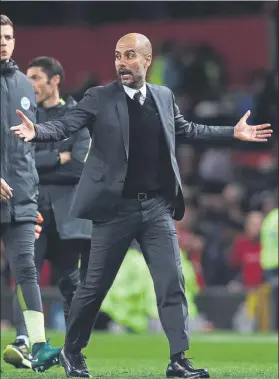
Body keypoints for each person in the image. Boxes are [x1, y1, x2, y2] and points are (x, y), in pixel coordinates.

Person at [11, 33, 272, 379]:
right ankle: (72, 353)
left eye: (130, 55)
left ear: (147, 61)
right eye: (118, 55)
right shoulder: (99, 97)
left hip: (156, 211)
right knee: (92, 289)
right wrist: (38, 131)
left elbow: (186, 129)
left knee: (171, 282)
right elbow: (65, 125)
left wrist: (231, 133)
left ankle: (179, 360)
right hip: (113, 212)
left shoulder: (163, 96)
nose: (121, 62)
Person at [4, 56, 92, 369]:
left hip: (69, 215)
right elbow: (18, 162)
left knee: (71, 283)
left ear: (55, 80)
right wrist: (59, 157)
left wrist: (39, 160)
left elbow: (81, 165)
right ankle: (24, 343)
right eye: (27, 78)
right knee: (26, 274)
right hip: (33, 209)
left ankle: (74, 352)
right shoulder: (24, 113)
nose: (30, 84)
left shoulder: (76, 114)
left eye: (36, 77)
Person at [0, 14, 61, 372]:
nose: (3, 42)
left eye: (7, 36)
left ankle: (37, 345)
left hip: (21, 198)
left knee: (26, 270)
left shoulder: (25, 84)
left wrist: (32, 194)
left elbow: (26, 148)